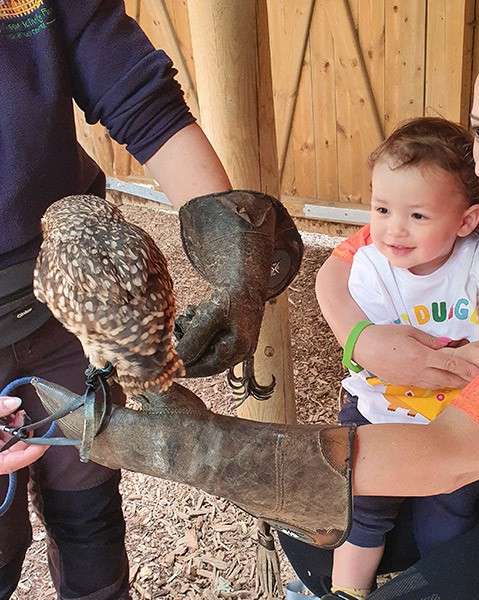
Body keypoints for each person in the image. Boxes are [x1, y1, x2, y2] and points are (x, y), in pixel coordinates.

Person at [278, 1, 479, 598]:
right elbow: (348, 257)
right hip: (476, 468)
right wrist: (362, 338)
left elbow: (452, 449)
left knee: (328, 510)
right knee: (308, 530)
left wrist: (219, 453)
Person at [0, 1, 231, 598]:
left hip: (67, 315)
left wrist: (235, 262)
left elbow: (142, 98)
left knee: (89, 509)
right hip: (65, 282)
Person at [330, 117, 479, 600]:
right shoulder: (372, 267)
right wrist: (461, 354)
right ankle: (342, 590)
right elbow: (384, 353)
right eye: (381, 209)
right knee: (363, 511)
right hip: (381, 411)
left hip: (453, 423)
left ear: (465, 221)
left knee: (450, 511)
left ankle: (431, 582)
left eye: (417, 216)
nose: (393, 229)